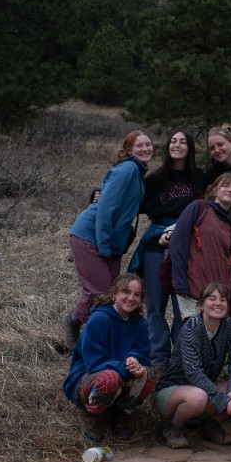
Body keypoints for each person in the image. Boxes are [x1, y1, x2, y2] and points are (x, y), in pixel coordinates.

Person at [64, 131, 152, 349]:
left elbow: (112, 195)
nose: (145, 149)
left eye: (148, 145)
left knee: (111, 292)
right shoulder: (129, 169)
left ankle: (75, 321)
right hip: (90, 236)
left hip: (111, 242)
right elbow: (106, 207)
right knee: (103, 294)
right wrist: (103, 244)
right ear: (129, 150)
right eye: (139, 145)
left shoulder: (138, 173)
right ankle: (95, 345)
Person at [133, 128, 203, 372]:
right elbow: (130, 197)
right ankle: (158, 358)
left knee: (182, 304)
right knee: (155, 304)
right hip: (156, 245)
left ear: (189, 148)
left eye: (183, 142)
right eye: (173, 141)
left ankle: (181, 357)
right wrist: (97, 195)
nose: (177, 145)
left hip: (187, 247)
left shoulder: (199, 178)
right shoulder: (155, 179)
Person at [153, 282, 231, 448]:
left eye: (222, 299)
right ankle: (173, 427)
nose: (218, 303)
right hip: (172, 392)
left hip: (205, 391)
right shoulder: (192, 326)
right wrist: (222, 399)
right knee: (198, 396)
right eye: (212, 298)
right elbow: (193, 373)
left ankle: (210, 424)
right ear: (200, 305)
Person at [61, 273, 155, 444]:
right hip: (87, 377)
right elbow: (95, 363)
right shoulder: (99, 319)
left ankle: (119, 412)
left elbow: (142, 351)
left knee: (147, 376)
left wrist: (135, 362)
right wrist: (125, 367)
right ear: (115, 294)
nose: (131, 298)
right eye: (126, 292)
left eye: (137, 294)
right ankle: (92, 414)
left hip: (120, 372)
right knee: (110, 378)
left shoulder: (139, 323)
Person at [168, 172, 231, 321]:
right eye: (225, 185)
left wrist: (228, 286)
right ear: (214, 191)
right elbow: (177, 242)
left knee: (215, 338)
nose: (230, 189)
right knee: (193, 335)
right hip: (193, 287)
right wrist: (179, 281)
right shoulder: (199, 208)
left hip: (218, 294)